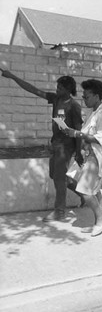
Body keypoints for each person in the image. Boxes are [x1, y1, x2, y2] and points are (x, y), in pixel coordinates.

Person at [0, 68, 84, 222]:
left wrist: (78, 153)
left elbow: (79, 130)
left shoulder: (74, 106)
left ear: (69, 90)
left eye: (60, 88)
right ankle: (85, 194)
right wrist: (12, 76)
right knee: (56, 176)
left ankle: (59, 211)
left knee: (59, 178)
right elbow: (34, 90)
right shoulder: (56, 99)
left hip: (67, 147)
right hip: (56, 143)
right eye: (57, 87)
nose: (57, 89)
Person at [64, 79, 102, 236]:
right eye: (83, 96)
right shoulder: (94, 113)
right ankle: (96, 213)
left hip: (96, 157)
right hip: (87, 155)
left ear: (96, 96)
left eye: (86, 96)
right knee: (72, 181)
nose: (83, 99)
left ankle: (100, 219)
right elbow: (86, 136)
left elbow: (101, 138)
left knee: (85, 190)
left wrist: (77, 133)